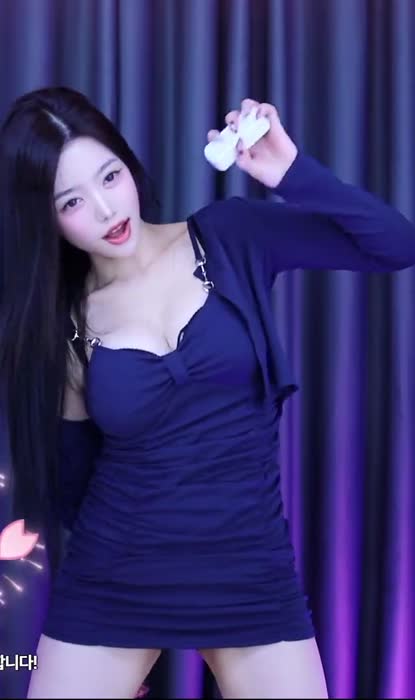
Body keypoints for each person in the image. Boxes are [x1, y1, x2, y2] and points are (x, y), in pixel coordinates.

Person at [1, 87, 414, 700]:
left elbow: (396, 243)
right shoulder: (65, 325)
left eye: (110, 177)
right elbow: (73, 483)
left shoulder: (230, 236)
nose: (106, 209)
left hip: (249, 572)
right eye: (72, 201)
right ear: (47, 219)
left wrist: (291, 172)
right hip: (116, 578)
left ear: (128, 164)